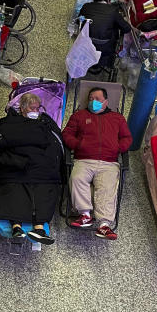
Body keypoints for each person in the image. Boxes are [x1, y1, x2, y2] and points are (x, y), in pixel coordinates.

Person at [0, 92, 65, 244]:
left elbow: (56, 145)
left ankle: (39, 229)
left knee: (43, 189)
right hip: (17, 168)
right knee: (16, 189)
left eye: (37, 108)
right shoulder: (10, 125)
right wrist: (13, 162)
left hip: (42, 170)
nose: (34, 111)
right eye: (31, 108)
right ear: (21, 108)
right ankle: (17, 227)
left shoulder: (46, 123)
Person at [62, 87, 132, 240]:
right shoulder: (79, 115)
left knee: (106, 188)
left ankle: (104, 225)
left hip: (109, 162)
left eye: (98, 99)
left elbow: (127, 138)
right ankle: (85, 215)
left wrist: (117, 148)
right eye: (91, 98)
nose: (93, 101)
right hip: (84, 159)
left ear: (106, 102)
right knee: (77, 178)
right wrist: (78, 145)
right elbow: (66, 134)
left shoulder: (117, 118)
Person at [78, 0, 130, 74]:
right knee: (114, 27)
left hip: (85, 44)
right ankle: (107, 63)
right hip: (105, 48)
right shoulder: (113, 10)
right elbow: (127, 28)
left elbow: (78, 21)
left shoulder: (86, 6)